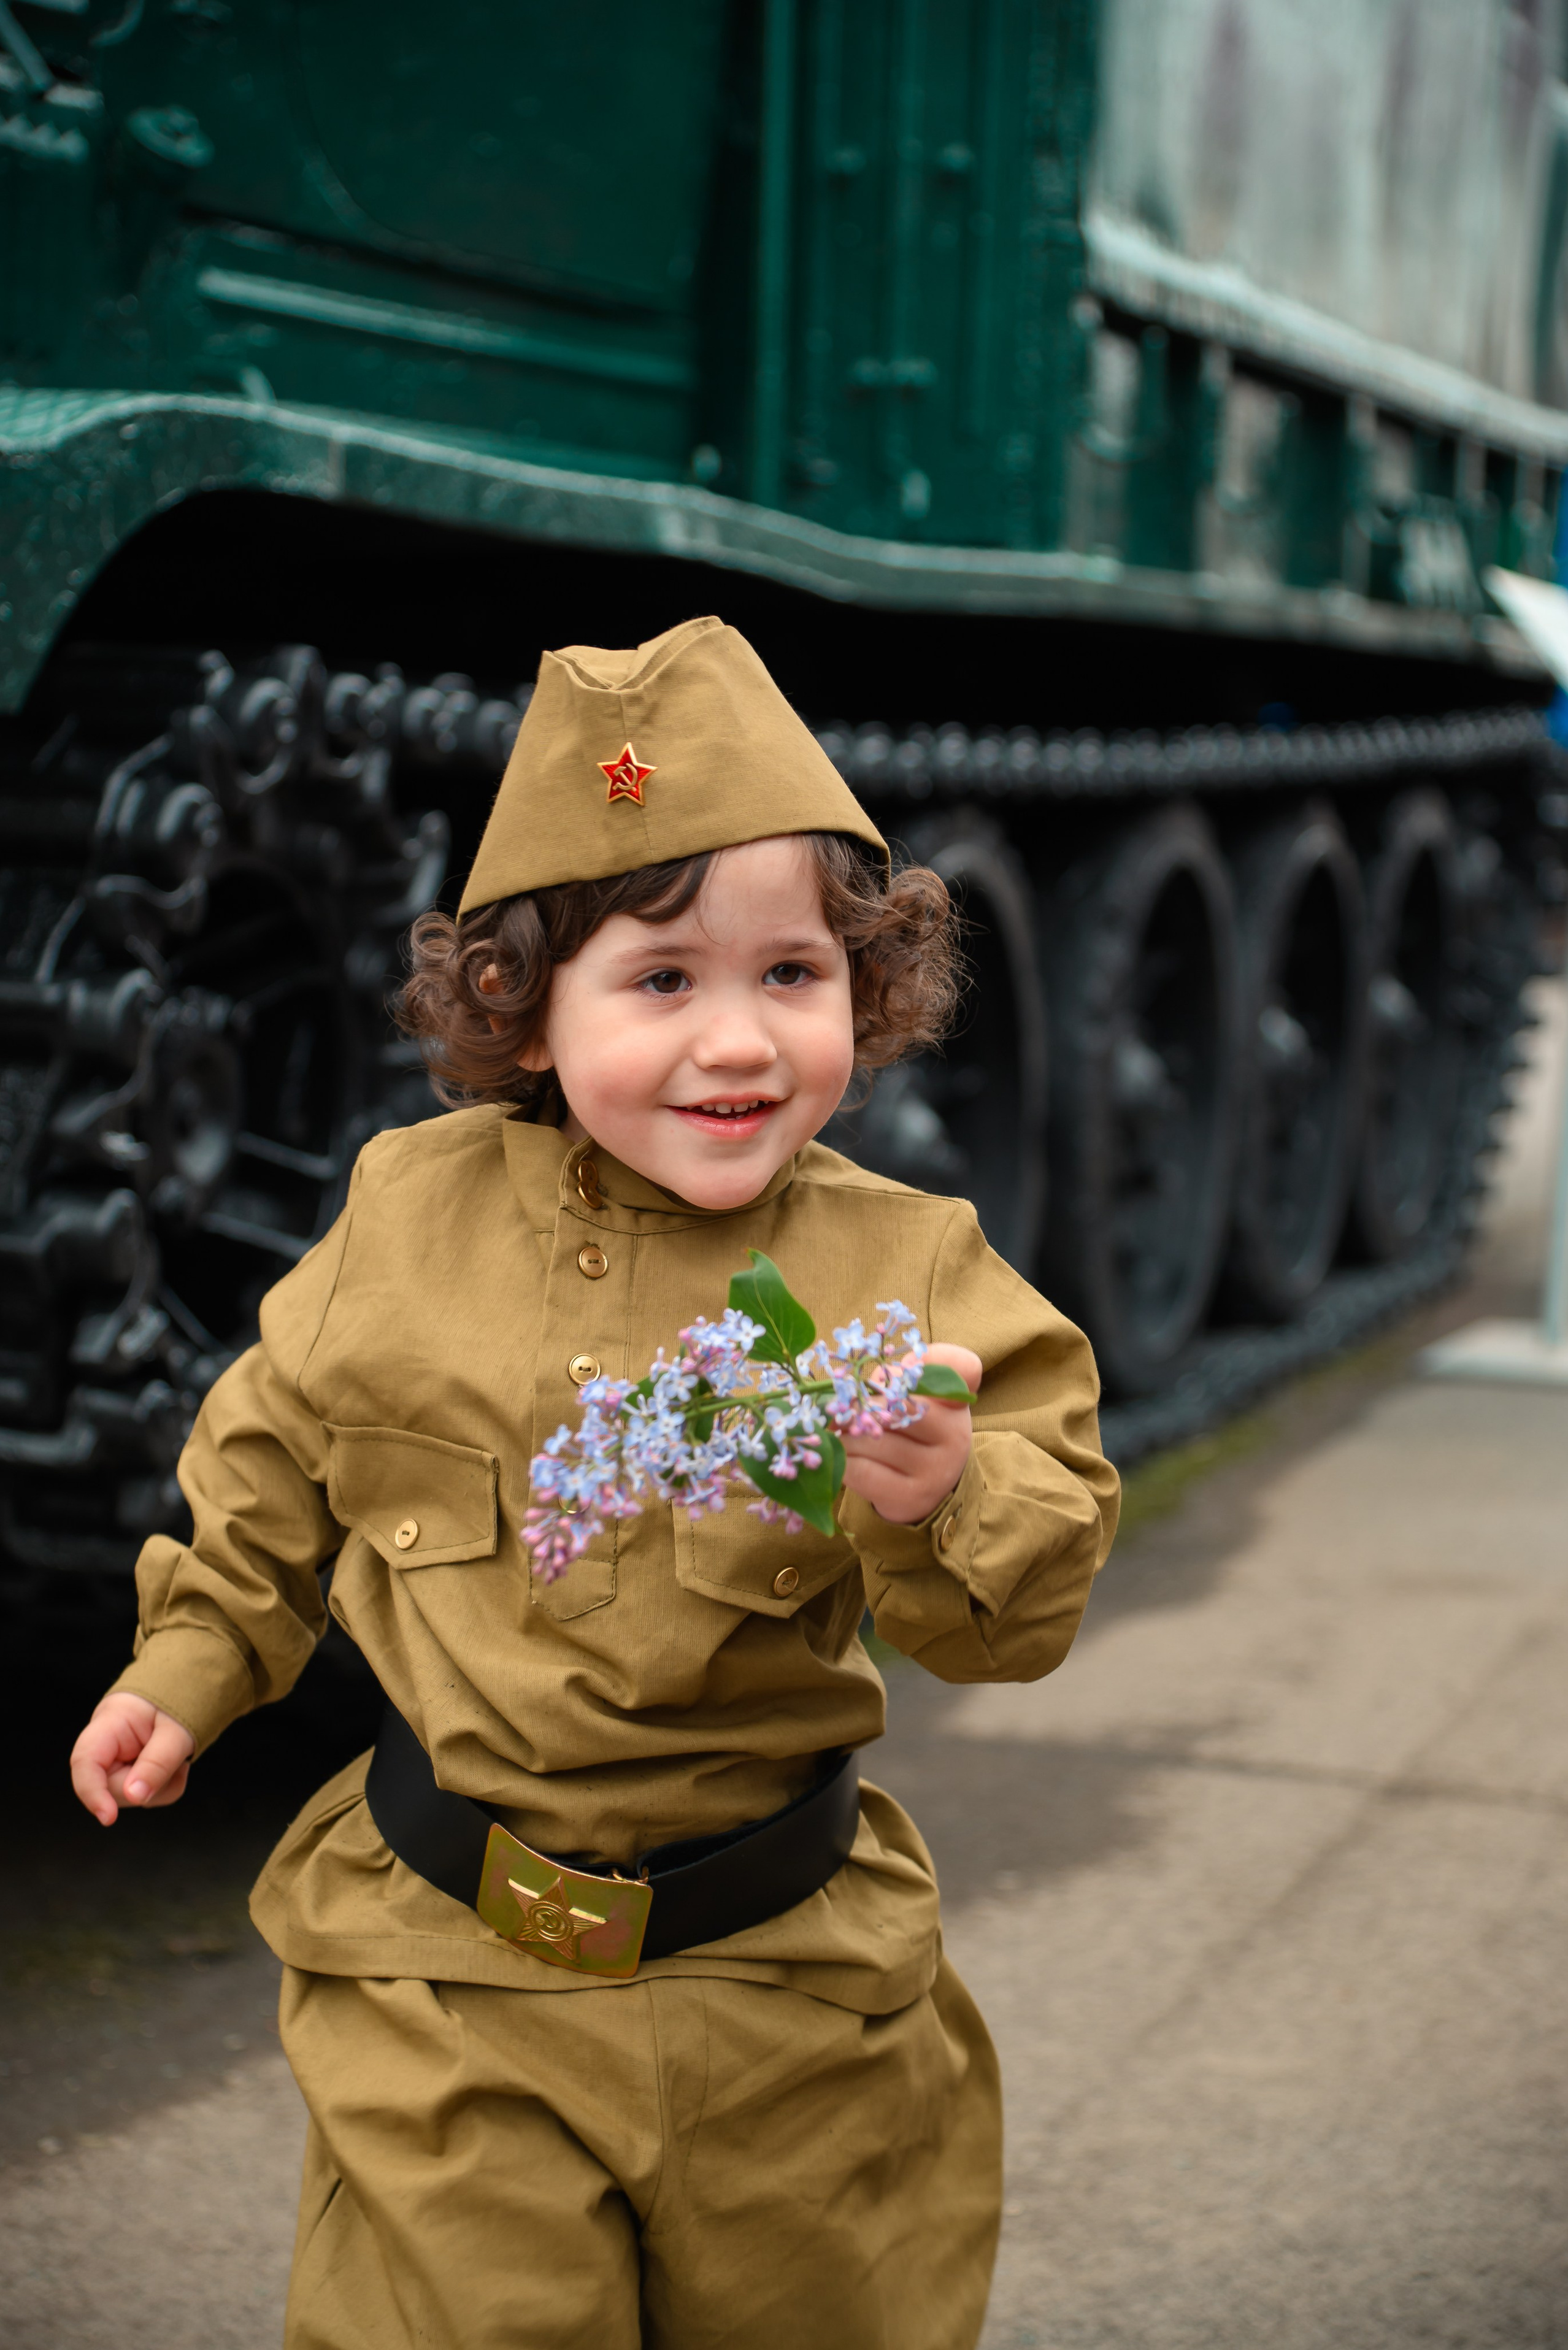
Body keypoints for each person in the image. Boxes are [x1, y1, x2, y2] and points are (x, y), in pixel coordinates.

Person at [69, 615, 1120, 2350]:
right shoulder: (407, 1212)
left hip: (790, 2006)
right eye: (660, 981)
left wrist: (942, 1492)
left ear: (865, 986)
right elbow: (274, 1460)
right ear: (522, 1012)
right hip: (445, 1985)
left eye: (791, 975)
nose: (737, 1043)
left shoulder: (906, 1268)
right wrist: (184, 1670)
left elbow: (1023, 1607)